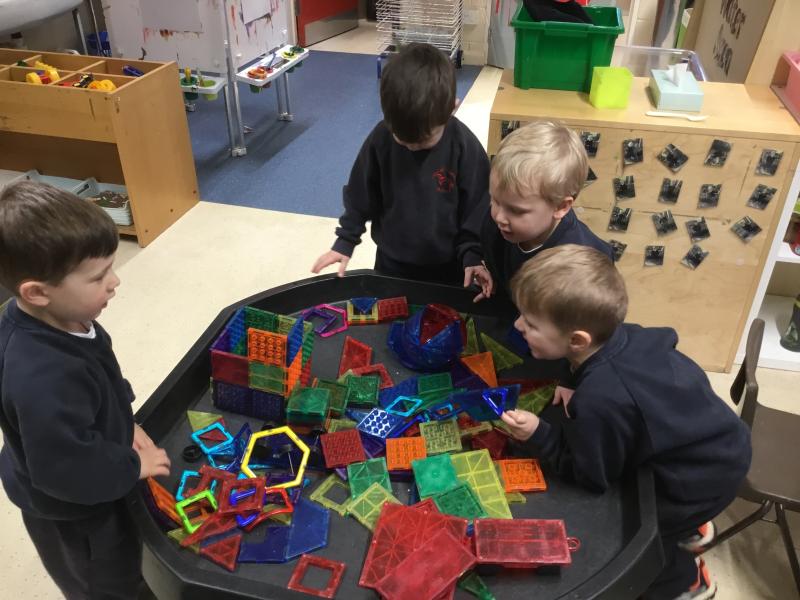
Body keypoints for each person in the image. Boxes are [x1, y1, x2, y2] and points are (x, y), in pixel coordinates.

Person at [501, 244, 751, 600]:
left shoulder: (601, 400)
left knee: (644, 543)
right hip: (721, 443)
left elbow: (592, 476)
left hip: (699, 479)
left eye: (530, 323)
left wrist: (538, 434)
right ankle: (692, 525)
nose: (518, 325)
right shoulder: (626, 334)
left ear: (577, 340)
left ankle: (688, 585)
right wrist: (572, 378)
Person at [0, 181, 171, 599]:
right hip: (76, 510)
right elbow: (65, 471)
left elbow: (103, 375)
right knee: (105, 584)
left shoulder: (68, 318)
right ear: (37, 292)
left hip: (84, 463)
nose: (115, 282)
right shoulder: (43, 377)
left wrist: (124, 420)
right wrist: (132, 466)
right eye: (98, 276)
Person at [311, 42, 492, 298]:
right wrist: (346, 240)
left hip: (450, 266)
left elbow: (478, 205)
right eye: (402, 139)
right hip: (391, 262)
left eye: (424, 140)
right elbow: (361, 192)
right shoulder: (381, 139)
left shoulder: (464, 146)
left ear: (453, 107)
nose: (412, 146)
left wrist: (472, 254)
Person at [481, 120, 612, 302]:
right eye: (495, 200)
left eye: (516, 211)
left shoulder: (578, 270)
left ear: (560, 207)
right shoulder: (502, 220)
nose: (499, 217)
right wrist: (484, 267)